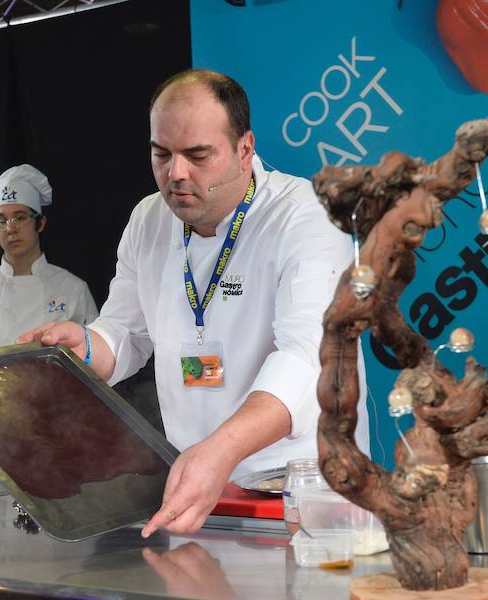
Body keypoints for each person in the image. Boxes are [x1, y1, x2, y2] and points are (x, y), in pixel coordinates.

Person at [19, 70, 367, 536]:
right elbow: (125, 333)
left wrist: (221, 450)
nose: (175, 174)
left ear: (245, 149)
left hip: (301, 494)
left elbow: (310, 363)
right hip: (196, 489)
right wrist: (81, 346)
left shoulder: (307, 217)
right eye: (161, 154)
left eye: (198, 155)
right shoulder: (148, 220)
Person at [0, 164, 98, 353]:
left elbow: (93, 360)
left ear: (40, 223)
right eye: (1, 220)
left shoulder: (73, 289)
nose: (10, 229)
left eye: (20, 218)